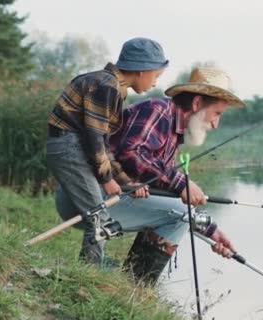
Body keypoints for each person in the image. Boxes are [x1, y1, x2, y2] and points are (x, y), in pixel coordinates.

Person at [95, 66, 243, 284]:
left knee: (181, 212)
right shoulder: (159, 110)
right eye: (216, 113)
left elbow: (164, 191)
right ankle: (137, 286)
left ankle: (132, 288)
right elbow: (131, 152)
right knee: (180, 214)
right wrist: (181, 182)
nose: (215, 124)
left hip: (110, 200)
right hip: (92, 198)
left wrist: (212, 231)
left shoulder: (172, 133)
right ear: (197, 104)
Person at [47, 38, 168, 265]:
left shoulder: (112, 86)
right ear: (142, 70)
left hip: (73, 146)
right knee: (99, 216)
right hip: (68, 147)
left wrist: (125, 182)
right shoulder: (106, 86)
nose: (154, 83)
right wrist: (107, 179)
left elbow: (103, 144)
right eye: (156, 76)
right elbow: (93, 138)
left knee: (98, 214)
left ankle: (94, 265)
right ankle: (90, 271)